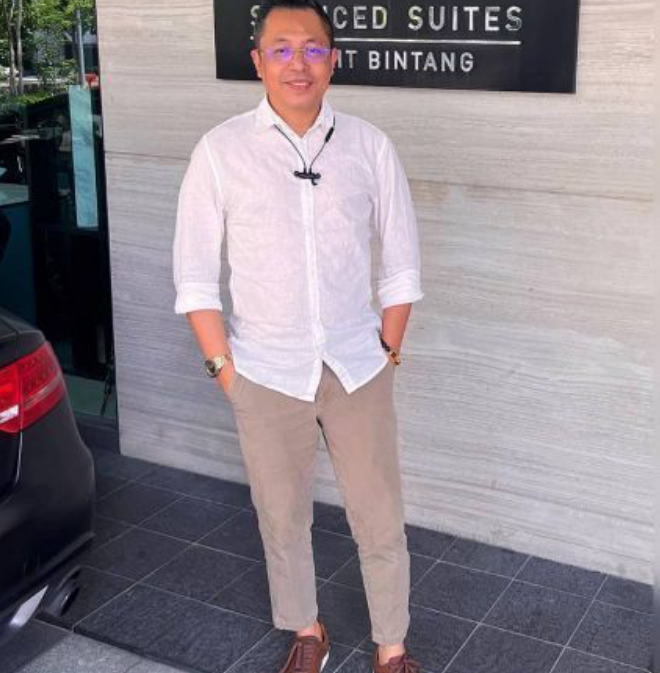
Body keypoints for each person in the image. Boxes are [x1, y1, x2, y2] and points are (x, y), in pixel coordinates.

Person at [173, 1, 424, 671]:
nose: (297, 63)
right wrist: (226, 370)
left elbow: (402, 265)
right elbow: (194, 278)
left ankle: (392, 645)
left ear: (333, 59)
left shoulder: (369, 146)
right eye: (281, 49)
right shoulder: (221, 151)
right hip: (263, 370)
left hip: (357, 367)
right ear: (257, 61)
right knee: (281, 515)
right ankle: (307, 629)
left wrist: (387, 350)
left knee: (380, 515)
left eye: (312, 48)